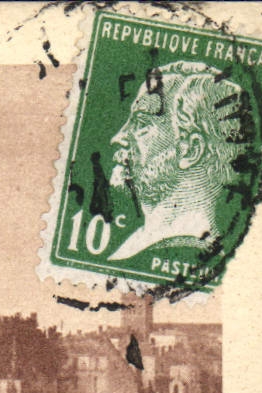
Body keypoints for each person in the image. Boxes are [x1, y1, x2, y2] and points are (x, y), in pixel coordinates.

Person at [105, 61, 250, 263]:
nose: (118, 138)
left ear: (191, 150)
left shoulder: (185, 252)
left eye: (142, 124)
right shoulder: (140, 244)